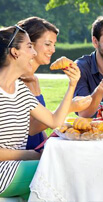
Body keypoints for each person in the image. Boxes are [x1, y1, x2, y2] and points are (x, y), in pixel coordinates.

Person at [0, 25, 80, 199]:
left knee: (66, 169)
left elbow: (53, 121)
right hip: (3, 174)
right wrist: (34, 155)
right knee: (61, 173)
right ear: (15, 52)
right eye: (29, 46)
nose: (34, 53)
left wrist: (72, 85)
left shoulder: (20, 89)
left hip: (18, 166)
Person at [17, 17, 92, 150]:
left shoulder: (34, 80)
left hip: (38, 150)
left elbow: (39, 128)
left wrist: (47, 145)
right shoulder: (17, 80)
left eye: (54, 45)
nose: (53, 50)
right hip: (23, 155)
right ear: (30, 44)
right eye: (47, 44)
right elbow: (31, 129)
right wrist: (70, 107)